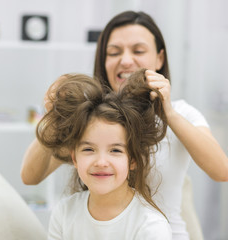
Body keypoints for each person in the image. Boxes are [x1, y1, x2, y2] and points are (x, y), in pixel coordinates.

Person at [21, 11, 228, 239]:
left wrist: (168, 113)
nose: (126, 60)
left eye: (138, 51)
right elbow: (30, 177)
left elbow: (221, 171)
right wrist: (56, 116)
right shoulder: (89, 118)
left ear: (159, 58)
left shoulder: (182, 114)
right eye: (114, 52)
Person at [37, 70, 171, 239]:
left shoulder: (151, 226)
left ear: (133, 159)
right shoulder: (64, 212)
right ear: (74, 157)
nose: (101, 162)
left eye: (115, 150)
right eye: (88, 150)